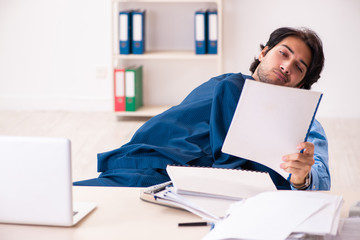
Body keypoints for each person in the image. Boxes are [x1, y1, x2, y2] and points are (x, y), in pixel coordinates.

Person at [75, 27, 330, 190]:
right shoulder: (223, 84)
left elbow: (319, 176)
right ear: (263, 53)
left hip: (210, 186)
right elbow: (170, 126)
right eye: (283, 54)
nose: (287, 66)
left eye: (299, 67)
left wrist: (302, 178)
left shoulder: (304, 123)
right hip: (144, 167)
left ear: (301, 84)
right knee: (72, 200)